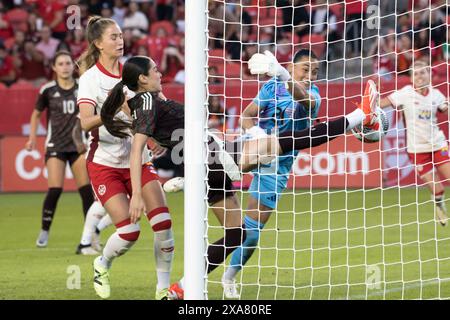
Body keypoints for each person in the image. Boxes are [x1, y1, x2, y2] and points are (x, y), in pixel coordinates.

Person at [100, 54, 380, 299]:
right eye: (154, 70)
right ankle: (360, 115)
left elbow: (153, 120)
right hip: (213, 157)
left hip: (208, 162)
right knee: (294, 139)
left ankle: (182, 287)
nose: (160, 72)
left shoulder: (147, 99)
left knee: (237, 234)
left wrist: (160, 133)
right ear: (143, 80)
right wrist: (136, 193)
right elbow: (136, 149)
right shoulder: (146, 101)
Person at [77, 16, 174, 300]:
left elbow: (156, 107)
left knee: (163, 223)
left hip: (139, 158)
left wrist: (157, 137)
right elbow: (84, 124)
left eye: (120, 36)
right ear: (98, 44)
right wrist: (114, 108)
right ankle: (101, 263)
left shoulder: (132, 72)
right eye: (113, 37)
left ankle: (163, 289)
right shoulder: (89, 80)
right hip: (105, 164)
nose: (120, 41)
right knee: (130, 232)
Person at [222, 49, 321, 298]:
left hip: (277, 166)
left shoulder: (314, 96)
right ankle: (191, 179)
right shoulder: (270, 87)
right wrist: (255, 132)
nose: (310, 75)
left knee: (251, 234)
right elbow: (246, 116)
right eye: (305, 69)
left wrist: (286, 75)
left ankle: (229, 277)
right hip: (254, 146)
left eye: (315, 71)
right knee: (229, 163)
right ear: (293, 66)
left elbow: (303, 99)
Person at [25, 51, 105, 255]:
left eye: (68, 63)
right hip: (55, 146)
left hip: (78, 147)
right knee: (55, 189)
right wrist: (33, 137)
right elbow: (36, 115)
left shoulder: (82, 87)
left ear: (73, 65)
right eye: (60, 63)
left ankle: (89, 236)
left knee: (86, 191)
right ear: (54, 67)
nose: (65, 67)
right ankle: (44, 230)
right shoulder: (48, 90)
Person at [379, 60, 450, 226]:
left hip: (439, 145)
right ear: (411, 78)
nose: (419, 76)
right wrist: (372, 98)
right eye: (416, 73)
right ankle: (439, 203)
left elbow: (445, 109)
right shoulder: (405, 93)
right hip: (417, 150)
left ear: (429, 75)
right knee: (438, 188)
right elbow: (382, 103)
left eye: (423, 72)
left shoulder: (436, 94)